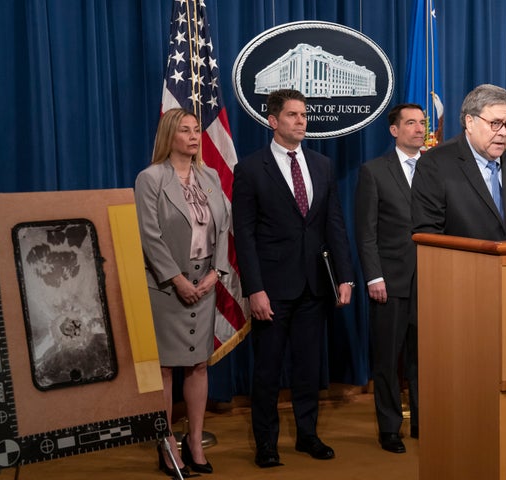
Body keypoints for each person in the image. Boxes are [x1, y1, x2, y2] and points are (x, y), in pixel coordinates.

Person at [232, 88, 355, 468]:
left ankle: (307, 436)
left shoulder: (322, 165)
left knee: (308, 367)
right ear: (273, 121)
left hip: (314, 286)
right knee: (268, 370)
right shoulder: (250, 169)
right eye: (293, 115)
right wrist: (255, 289)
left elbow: (333, 224)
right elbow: (245, 236)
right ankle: (266, 443)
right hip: (271, 288)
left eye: (304, 115)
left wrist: (345, 276)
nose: (301, 121)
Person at [135, 108, 229, 477]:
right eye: (185, 130)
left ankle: (194, 441)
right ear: (169, 136)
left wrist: (216, 273)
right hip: (165, 286)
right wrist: (176, 279)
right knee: (166, 367)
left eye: (196, 130)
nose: (194, 136)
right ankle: (167, 444)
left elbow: (223, 228)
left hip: (204, 281)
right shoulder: (151, 178)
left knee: (199, 364)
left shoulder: (210, 176)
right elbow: (149, 235)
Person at [354, 104, 424, 454]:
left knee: (424, 359)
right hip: (390, 279)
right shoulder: (374, 171)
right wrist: (373, 276)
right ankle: (389, 428)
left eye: (422, 122)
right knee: (387, 359)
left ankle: (424, 424)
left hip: (431, 280)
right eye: (411, 123)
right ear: (394, 130)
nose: (419, 128)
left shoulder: (437, 168)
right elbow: (365, 232)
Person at [411, 83, 506, 240]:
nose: (503, 133)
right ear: (470, 123)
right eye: (495, 123)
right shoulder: (435, 164)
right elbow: (428, 237)